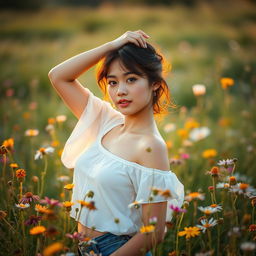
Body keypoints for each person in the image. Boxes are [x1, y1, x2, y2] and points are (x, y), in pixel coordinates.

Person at [48, 30, 184, 256]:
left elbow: (154, 232)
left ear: (155, 84)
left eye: (131, 79)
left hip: (117, 250)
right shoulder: (106, 120)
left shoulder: (151, 147)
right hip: (83, 247)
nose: (120, 91)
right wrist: (112, 45)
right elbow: (58, 76)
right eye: (112, 82)